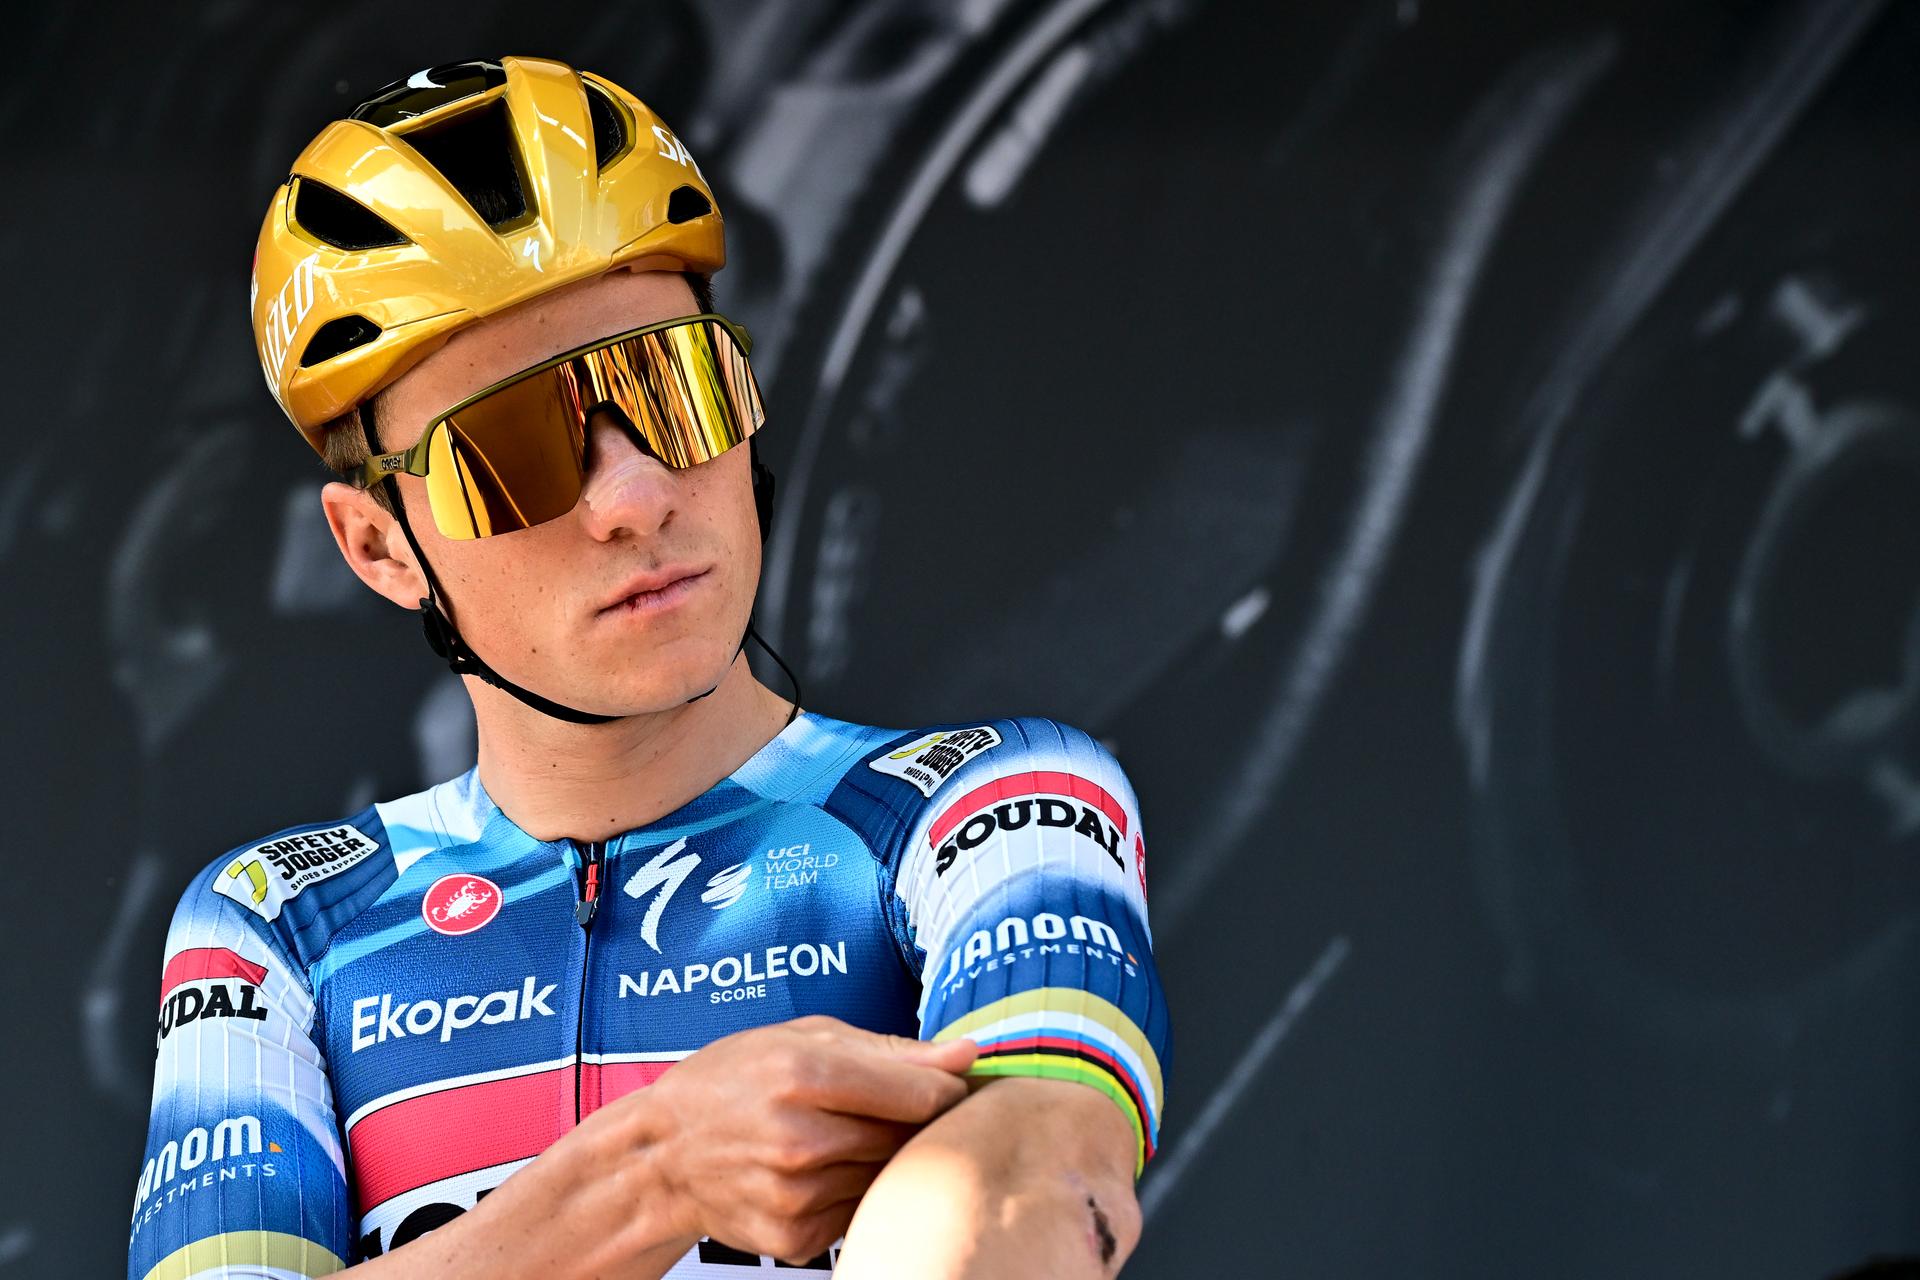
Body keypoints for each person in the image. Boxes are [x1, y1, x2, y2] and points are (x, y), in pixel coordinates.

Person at [129, 56, 1170, 1280]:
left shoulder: (990, 799)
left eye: (673, 389)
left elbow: (1033, 1179)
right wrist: (657, 1173)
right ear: (379, 548)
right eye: (510, 451)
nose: (634, 494)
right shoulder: (277, 920)